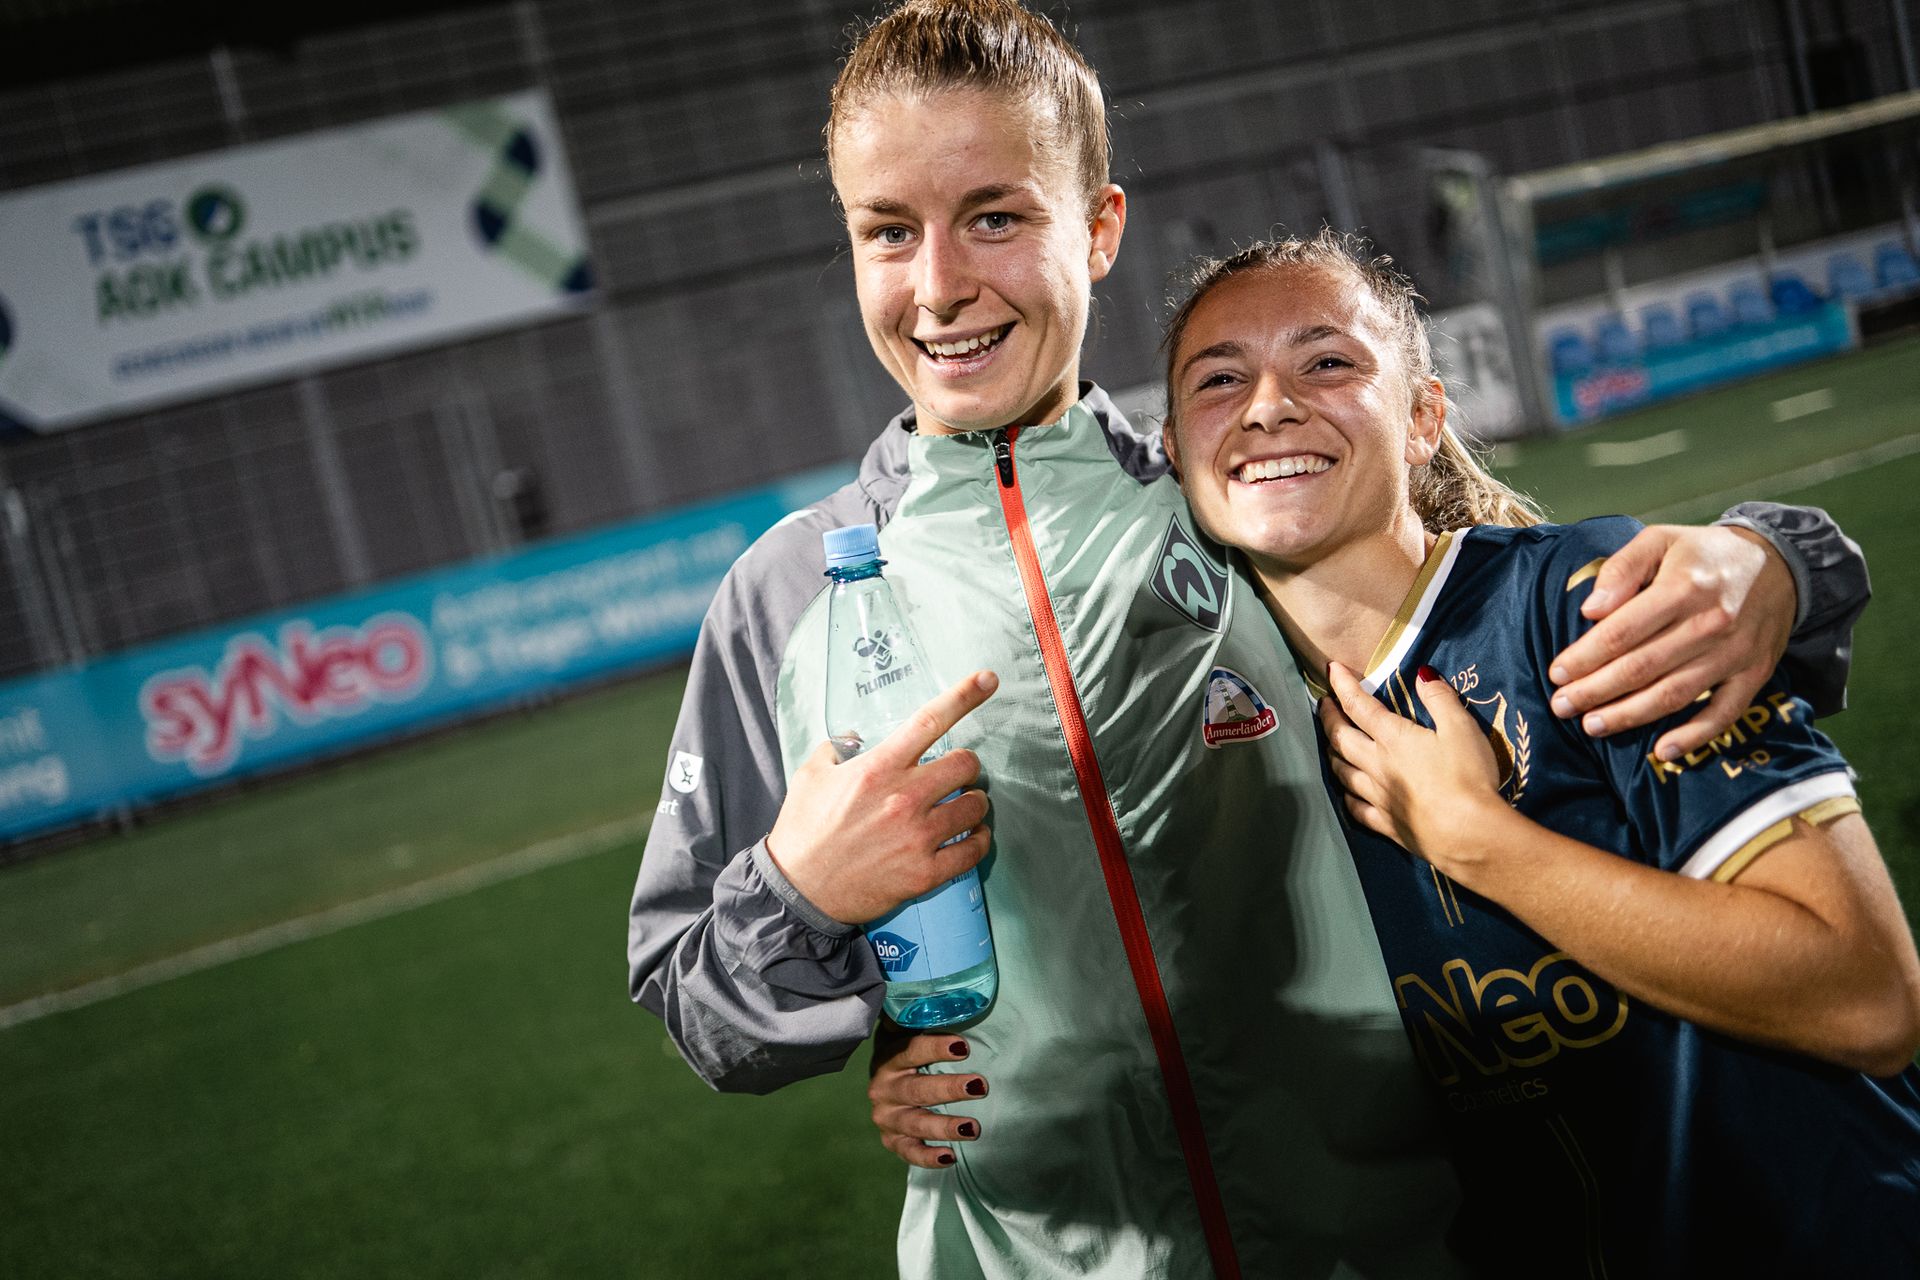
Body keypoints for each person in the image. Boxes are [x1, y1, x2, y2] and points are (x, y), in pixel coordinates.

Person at [630, 3, 1870, 1276]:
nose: (940, 283)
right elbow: (703, 1011)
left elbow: (1513, 597)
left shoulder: (1226, 498)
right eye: (889, 231)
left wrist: (1781, 559)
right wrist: (806, 896)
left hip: (1396, 1247)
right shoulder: (785, 599)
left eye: (995, 216)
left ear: (1098, 228)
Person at [1151, 227, 1920, 1275]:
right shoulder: (1229, 744)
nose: (1268, 403)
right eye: (1220, 378)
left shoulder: (1592, 606)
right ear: (1172, 447)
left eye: (1326, 361)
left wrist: (1479, 841)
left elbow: (1866, 992)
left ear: (1425, 416)